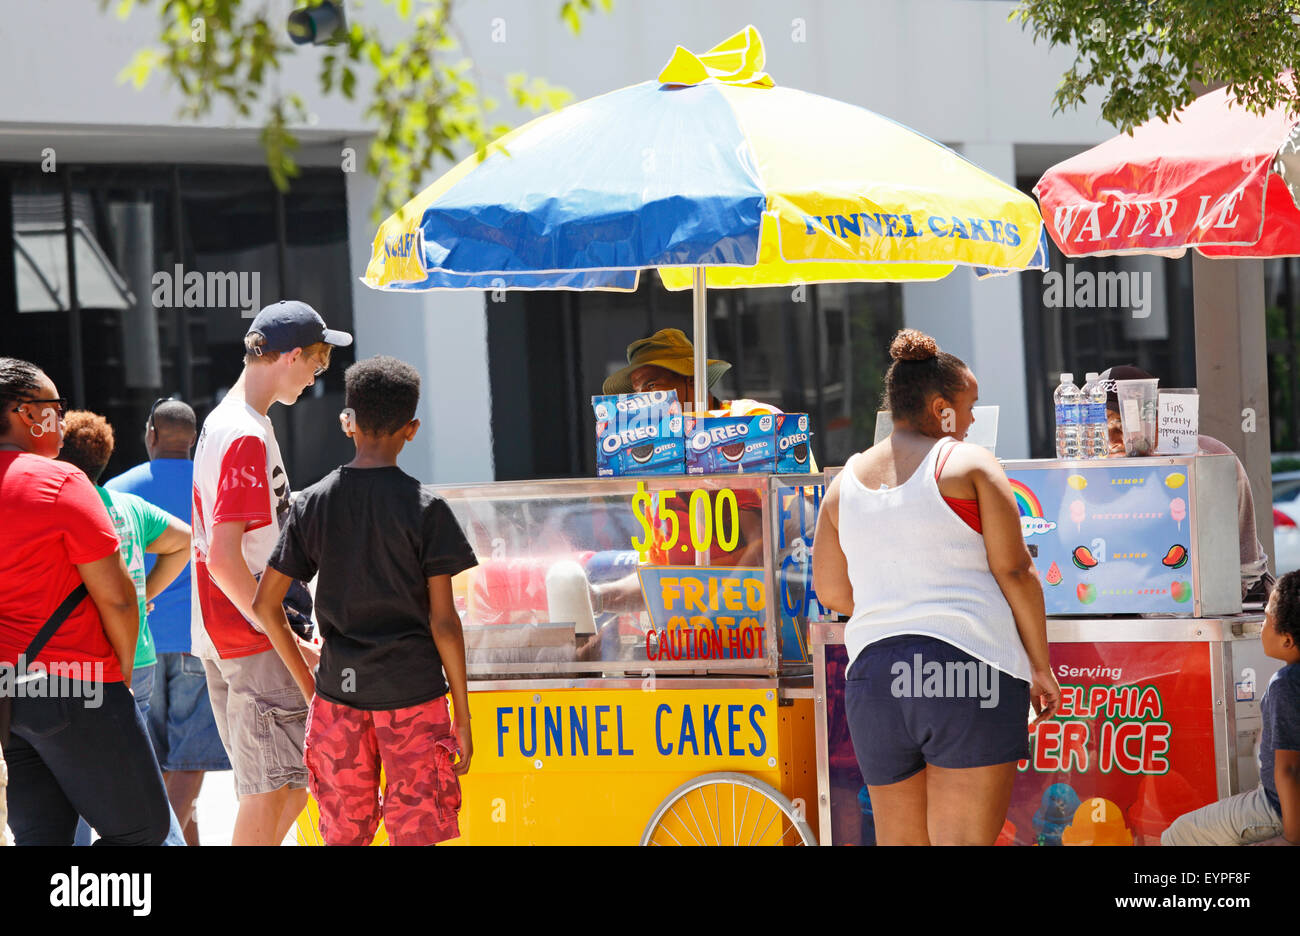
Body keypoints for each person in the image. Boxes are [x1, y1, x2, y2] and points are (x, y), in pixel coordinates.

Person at [811, 329, 1061, 845]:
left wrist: (898, 600)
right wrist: (1040, 666)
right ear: (940, 407)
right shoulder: (968, 465)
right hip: (967, 670)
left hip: (875, 681)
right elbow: (1015, 572)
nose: (970, 420)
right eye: (968, 407)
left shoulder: (843, 484)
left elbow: (832, 593)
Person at [252, 356, 476, 845]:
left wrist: (312, 686)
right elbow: (444, 623)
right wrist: (462, 712)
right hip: (415, 698)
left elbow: (265, 606)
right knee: (418, 835)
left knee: (343, 838)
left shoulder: (311, 504)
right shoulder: (428, 510)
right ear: (412, 429)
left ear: (347, 422)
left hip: (339, 699)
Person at [192, 300, 351, 846]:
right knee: (276, 787)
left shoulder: (229, 421)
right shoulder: (243, 433)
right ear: (288, 355)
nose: (316, 376)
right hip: (254, 637)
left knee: (286, 783)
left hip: (236, 633)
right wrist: (284, 636)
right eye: (318, 362)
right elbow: (224, 558)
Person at [0, 357, 170, 845]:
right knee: (142, 830)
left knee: (43, 837)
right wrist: (119, 680)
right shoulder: (61, 482)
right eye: (55, 406)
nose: (61, 415)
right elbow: (118, 600)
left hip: (10, 697)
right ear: (26, 413)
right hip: (79, 685)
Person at [58, 410, 193, 846]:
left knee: (73, 780)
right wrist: (144, 595)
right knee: (142, 778)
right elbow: (183, 541)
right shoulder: (128, 508)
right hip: (139, 657)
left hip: (84, 663)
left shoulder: (64, 511)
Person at [106, 397, 230, 846]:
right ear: (193, 439)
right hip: (204, 637)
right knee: (189, 757)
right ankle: (161, 841)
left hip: (139, 641)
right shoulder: (215, 483)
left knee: (155, 758)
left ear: (150, 435)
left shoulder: (119, 491)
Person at [1101, 364, 1274, 601]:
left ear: (1155, 417)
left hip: (1220, 599)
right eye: (1101, 426)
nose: (1112, 439)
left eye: (1121, 423)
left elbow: (1241, 566)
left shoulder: (1203, 457)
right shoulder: (1094, 471)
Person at [1161, 569, 1300, 845]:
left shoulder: (1285, 684)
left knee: (1177, 835)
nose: (1260, 627)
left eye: (1266, 618)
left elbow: (1289, 770)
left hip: (1274, 808)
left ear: (1287, 639)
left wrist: (1292, 836)